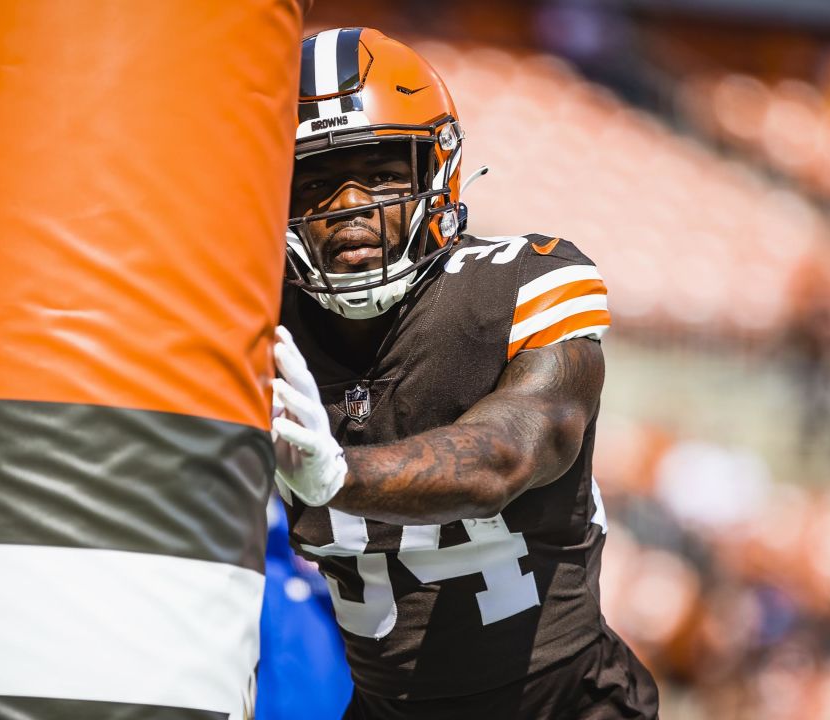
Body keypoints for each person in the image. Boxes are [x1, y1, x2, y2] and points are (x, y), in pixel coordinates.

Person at [270, 27, 660, 719]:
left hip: (563, 702)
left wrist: (337, 476)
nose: (351, 208)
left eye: (384, 171)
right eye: (319, 181)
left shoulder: (519, 283)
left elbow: (504, 457)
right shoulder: (256, 322)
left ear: (437, 170)